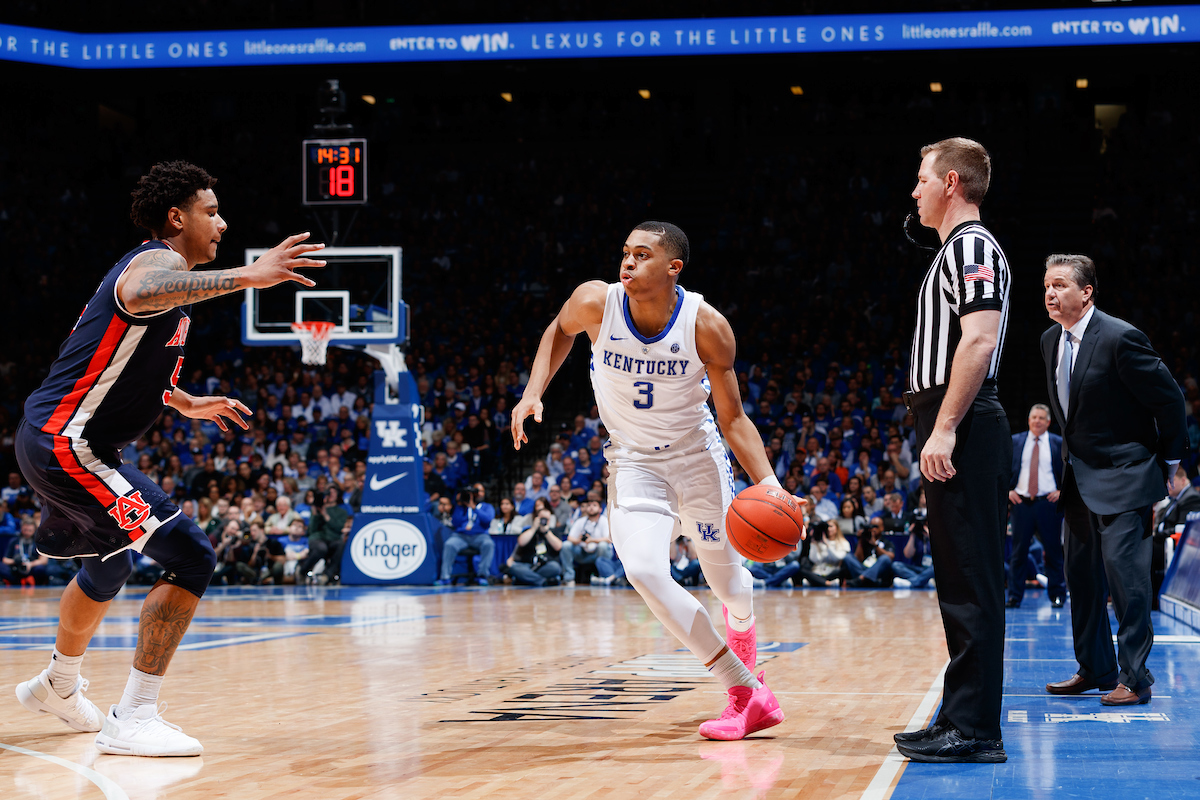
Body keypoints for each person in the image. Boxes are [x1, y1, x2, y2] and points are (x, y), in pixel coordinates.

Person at [14, 160, 325, 757]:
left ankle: (57, 684)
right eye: (211, 211)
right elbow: (137, 291)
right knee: (190, 553)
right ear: (176, 217)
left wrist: (182, 401)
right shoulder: (157, 262)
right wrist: (247, 277)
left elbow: (111, 359)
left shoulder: (175, 290)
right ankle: (133, 716)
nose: (223, 223)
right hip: (67, 443)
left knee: (108, 566)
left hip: (57, 438)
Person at [512, 221, 797, 741]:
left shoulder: (705, 325)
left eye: (641, 255)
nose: (627, 262)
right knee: (643, 569)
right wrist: (534, 390)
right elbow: (559, 330)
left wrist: (771, 484)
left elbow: (733, 418)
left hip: (697, 458)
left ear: (673, 268)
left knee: (729, 586)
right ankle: (744, 692)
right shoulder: (596, 301)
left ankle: (745, 641)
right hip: (634, 460)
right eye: (624, 252)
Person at [894, 138, 1011, 763]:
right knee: (958, 582)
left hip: (963, 420)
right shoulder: (954, 251)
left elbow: (979, 339)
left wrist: (944, 429)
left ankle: (976, 731)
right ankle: (959, 716)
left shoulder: (971, 246)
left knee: (972, 582)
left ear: (952, 182)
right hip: (952, 416)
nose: (914, 191)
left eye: (921, 179)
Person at [1040, 254, 1188, 706]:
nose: (1050, 292)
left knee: (1128, 585)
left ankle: (1136, 678)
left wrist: (1168, 463)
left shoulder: (1121, 337)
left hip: (1126, 478)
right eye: (1046, 285)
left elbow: (1170, 401)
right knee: (1080, 581)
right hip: (1078, 483)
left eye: (1061, 285)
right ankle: (1096, 668)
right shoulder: (1050, 340)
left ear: (1086, 292)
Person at [1006, 404, 1065, 609]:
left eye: (1041, 418)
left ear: (1048, 422)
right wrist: (1008, 490)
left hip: (1048, 503)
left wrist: (1062, 491)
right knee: (1018, 553)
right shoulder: (1015, 441)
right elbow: (1002, 468)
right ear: (1029, 420)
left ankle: (1057, 595)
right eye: (1034, 417)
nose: (1037, 421)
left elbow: (1068, 471)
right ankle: (1014, 596)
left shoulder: (1058, 443)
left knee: (1054, 551)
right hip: (1021, 503)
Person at [1152, 466, 1200, 603]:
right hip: (1164, 541)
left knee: (1146, 547)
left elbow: (1182, 528)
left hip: (1177, 545)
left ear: (1183, 480)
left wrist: (1156, 535)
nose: (1169, 485)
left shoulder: (1191, 498)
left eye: (1171, 480)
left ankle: (1151, 597)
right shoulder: (1174, 499)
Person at [435, 488, 495, 586]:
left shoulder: (486, 507)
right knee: (449, 544)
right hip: (461, 536)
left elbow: (487, 520)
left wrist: (474, 507)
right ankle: (445, 577)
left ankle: (482, 575)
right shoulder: (461, 507)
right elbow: (455, 522)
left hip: (480, 535)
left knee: (488, 544)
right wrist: (460, 504)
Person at [561, 498, 616, 586]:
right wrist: (578, 540)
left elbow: (609, 539)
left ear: (600, 509)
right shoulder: (580, 521)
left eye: (594, 505)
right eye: (589, 505)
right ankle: (569, 578)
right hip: (582, 552)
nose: (591, 507)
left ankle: (604, 576)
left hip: (597, 553)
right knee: (566, 545)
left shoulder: (604, 520)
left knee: (603, 545)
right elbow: (570, 537)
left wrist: (592, 540)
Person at [505, 507, 563, 586]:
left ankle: (525, 579)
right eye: (542, 518)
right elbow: (521, 542)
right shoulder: (528, 530)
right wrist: (534, 528)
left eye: (547, 519)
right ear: (536, 518)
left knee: (555, 567)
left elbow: (558, 546)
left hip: (544, 566)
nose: (544, 521)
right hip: (527, 565)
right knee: (514, 568)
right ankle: (543, 581)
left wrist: (546, 532)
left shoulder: (554, 532)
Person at [3, 518, 49, 586]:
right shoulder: (14, 540)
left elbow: (44, 560)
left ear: (34, 530)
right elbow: (5, 560)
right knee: (2, 567)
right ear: (21, 528)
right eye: (25, 530)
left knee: (40, 569)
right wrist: (15, 561)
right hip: (16, 568)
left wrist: (31, 564)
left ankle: (36, 584)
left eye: (30, 530)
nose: (27, 532)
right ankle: (16, 583)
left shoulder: (39, 541)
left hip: (32, 567)